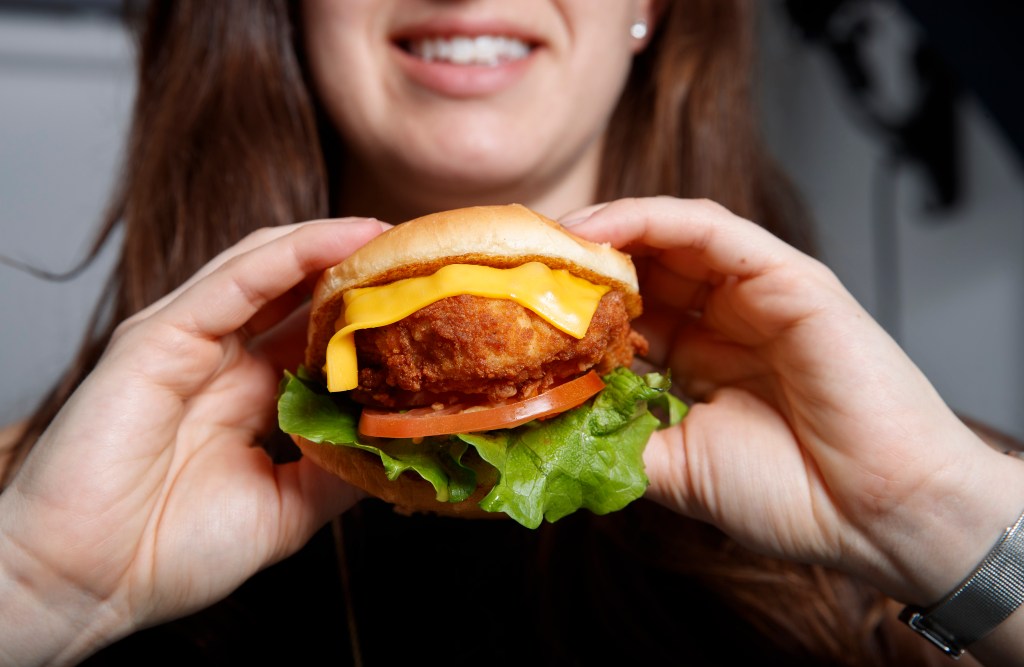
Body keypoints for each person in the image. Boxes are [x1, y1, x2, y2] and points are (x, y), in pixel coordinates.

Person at [1, 1, 1022, 665]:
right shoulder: (29, 510)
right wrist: (38, 595)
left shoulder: (937, 513)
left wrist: (934, 520)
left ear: (649, 9)